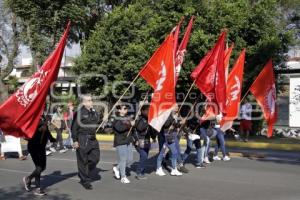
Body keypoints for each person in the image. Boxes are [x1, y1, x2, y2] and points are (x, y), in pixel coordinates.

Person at [71, 95, 101, 190]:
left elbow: (97, 122)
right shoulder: (79, 113)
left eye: (91, 100)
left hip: (93, 139)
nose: (91, 102)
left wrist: (102, 120)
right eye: (88, 100)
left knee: (95, 158)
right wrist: (75, 140)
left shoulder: (94, 112)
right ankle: (85, 181)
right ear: (83, 103)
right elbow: (74, 127)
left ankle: (84, 172)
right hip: (83, 138)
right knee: (82, 160)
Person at [23, 114, 56, 196]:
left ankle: (28, 178)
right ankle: (38, 188)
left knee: (43, 167)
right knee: (39, 167)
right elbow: (28, 132)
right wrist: (43, 123)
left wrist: (53, 139)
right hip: (33, 146)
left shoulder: (44, 119)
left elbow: (47, 132)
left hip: (41, 147)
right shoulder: (33, 118)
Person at [156, 111, 183, 177]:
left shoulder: (174, 115)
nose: (177, 107)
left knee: (171, 152)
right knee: (165, 153)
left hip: (170, 136)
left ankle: (173, 169)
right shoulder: (166, 114)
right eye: (175, 106)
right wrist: (173, 119)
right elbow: (165, 124)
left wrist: (180, 122)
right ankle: (159, 168)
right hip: (165, 136)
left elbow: (175, 125)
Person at [112, 104, 134, 184]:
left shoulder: (127, 117)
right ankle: (123, 177)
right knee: (123, 159)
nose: (126, 110)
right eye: (124, 108)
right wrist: (129, 125)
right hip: (120, 141)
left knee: (130, 159)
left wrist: (133, 123)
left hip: (128, 140)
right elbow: (119, 128)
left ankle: (117, 168)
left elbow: (132, 127)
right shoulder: (115, 118)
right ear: (119, 110)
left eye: (126, 108)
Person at [133, 105, 156, 180]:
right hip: (138, 141)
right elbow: (139, 128)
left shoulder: (148, 119)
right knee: (144, 156)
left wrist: (153, 137)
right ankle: (139, 172)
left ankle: (142, 171)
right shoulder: (139, 119)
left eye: (150, 110)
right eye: (147, 110)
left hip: (146, 141)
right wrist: (148, 122)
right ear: (142, 111)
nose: (149, 112)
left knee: (143, 157)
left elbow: (151, 131)